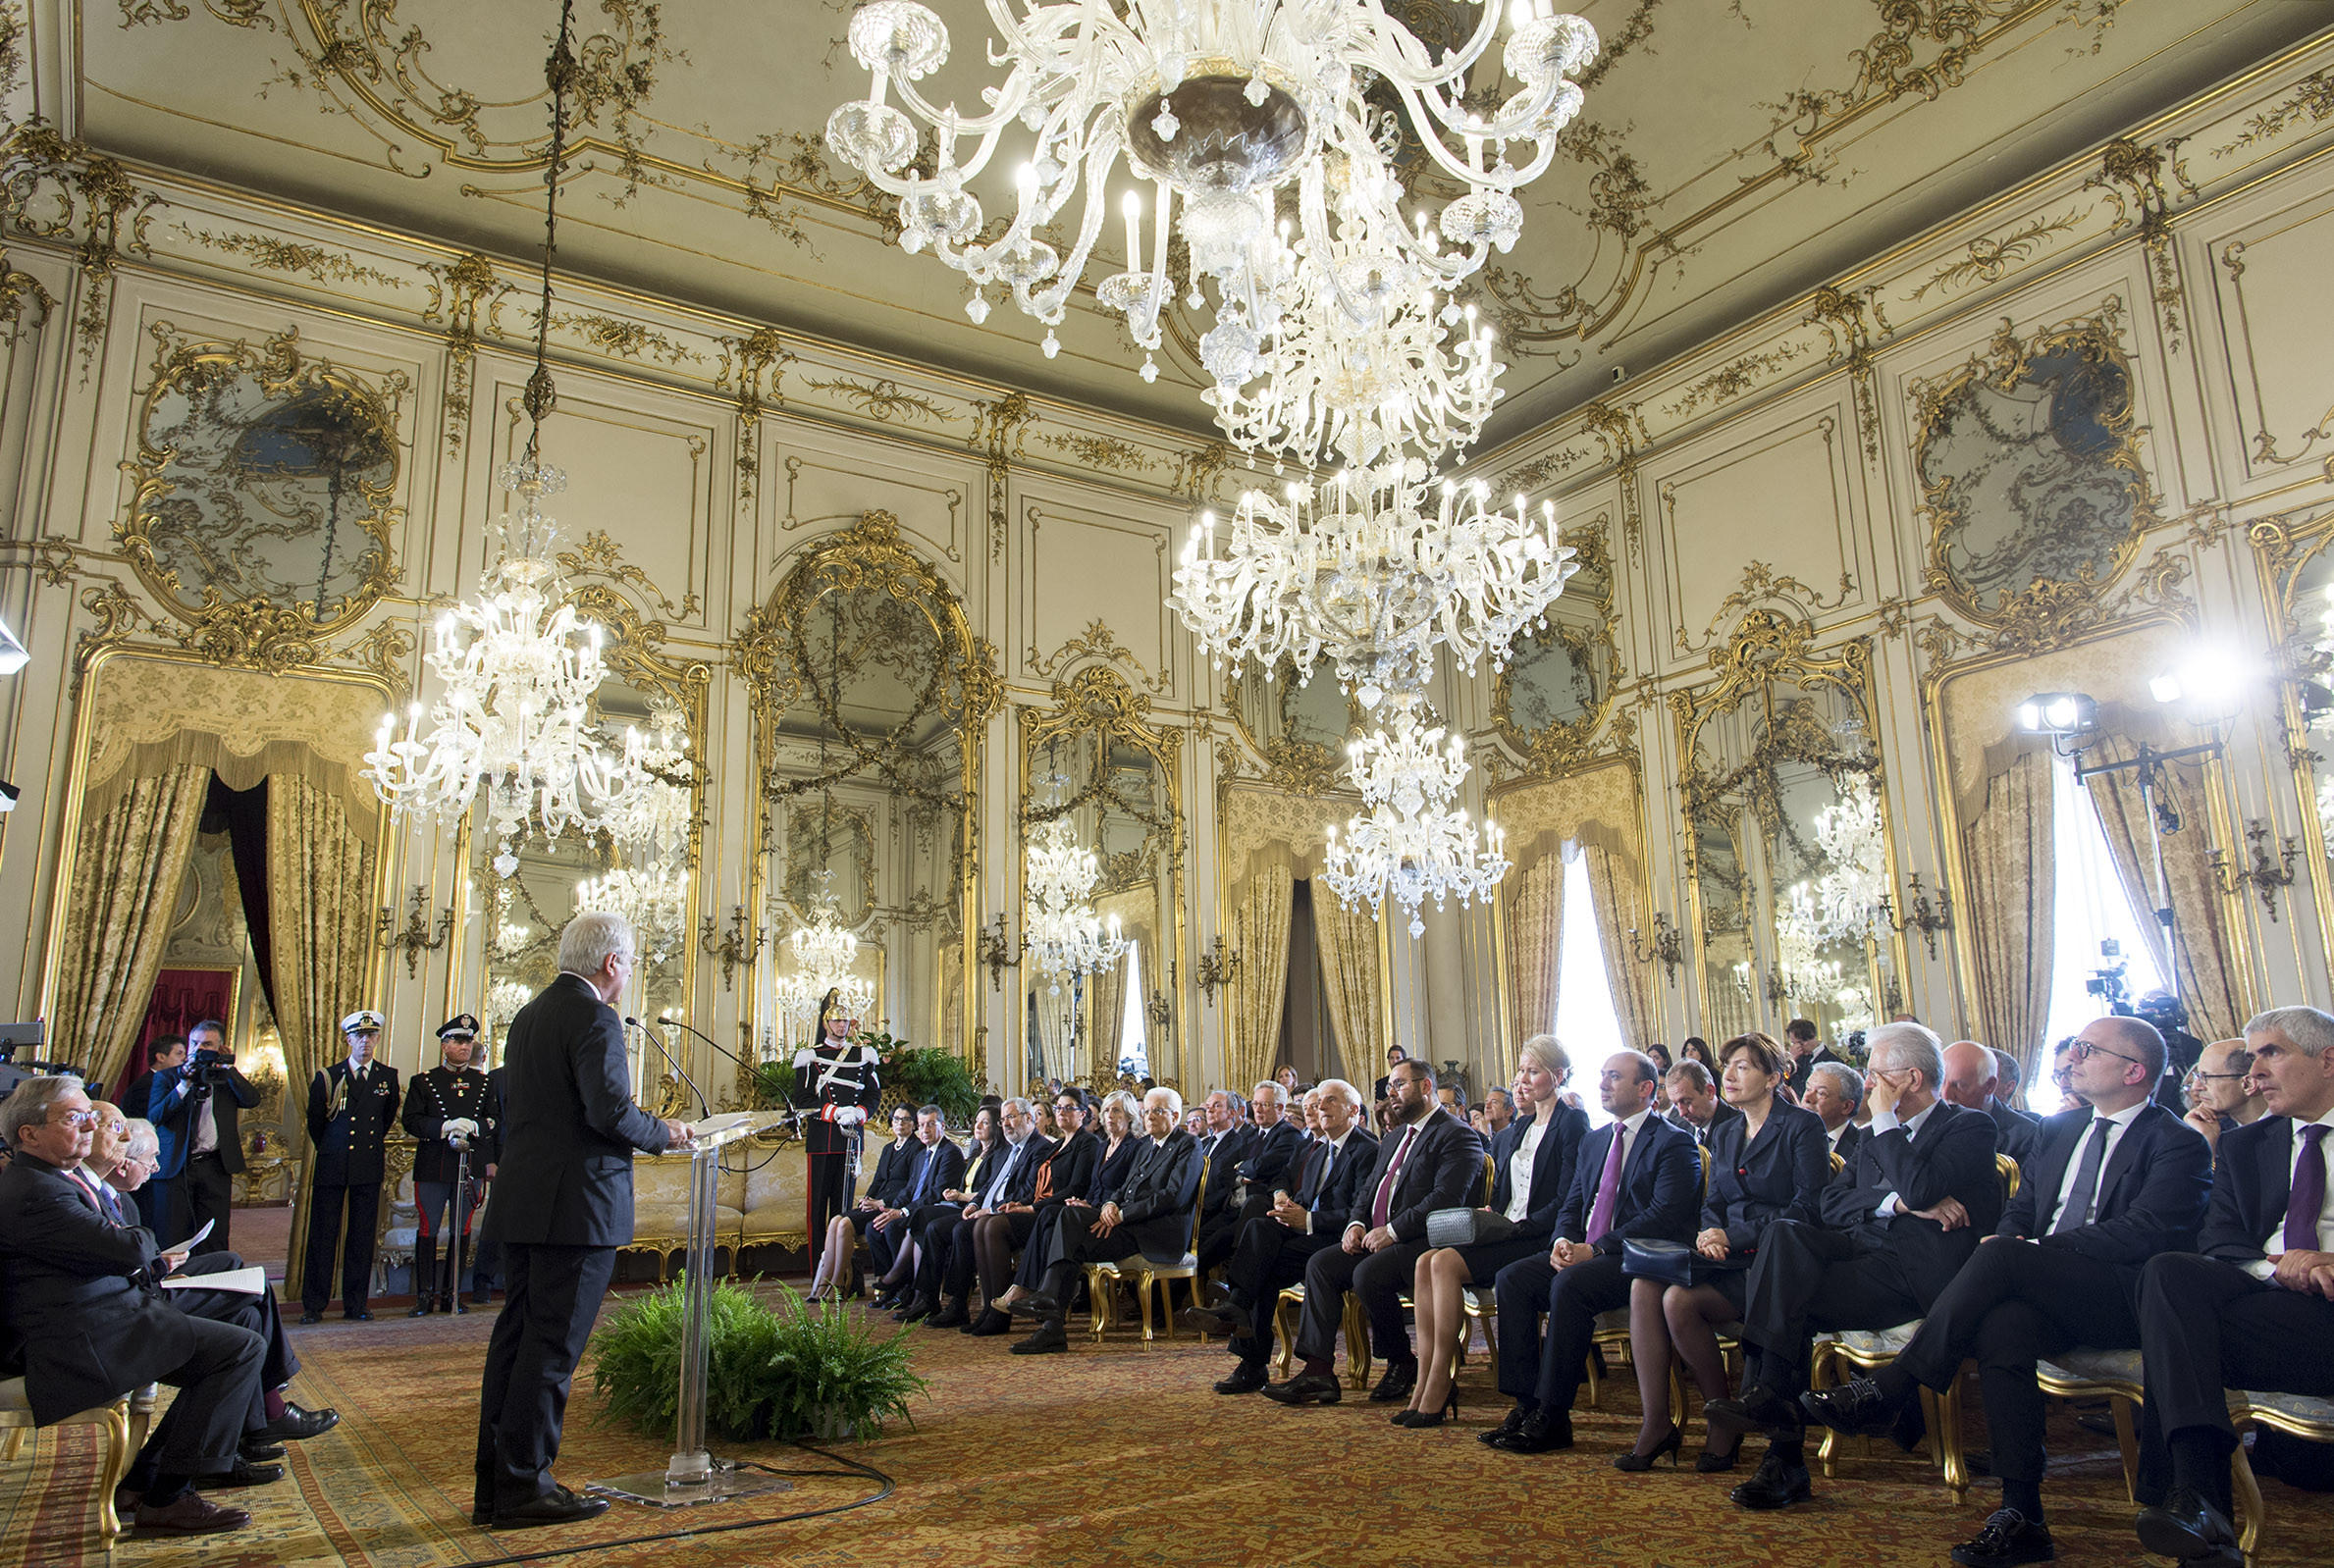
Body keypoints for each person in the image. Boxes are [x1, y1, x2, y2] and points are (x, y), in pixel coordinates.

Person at [1803, 1013, 2210, 1567]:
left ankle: (1895, 1385)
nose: (2072, 1060)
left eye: (2089, 1051)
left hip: (2125, 1295)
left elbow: (2149, 1231)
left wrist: (2034, 1251)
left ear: (2135, 1071)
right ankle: (2024, 1513)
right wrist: (2018, 1237)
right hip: (2042, 1283)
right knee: (2002, 1328)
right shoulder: (2062, 1130)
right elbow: (2024, 1206)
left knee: (1999, 1255)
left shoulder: (2177, 1141)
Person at [1707, 1021, 2005, 1511]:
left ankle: (1781, 1452)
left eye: (1876, 1075)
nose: (1868, 1084)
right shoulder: (1873, 1135)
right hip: (1861, 1254)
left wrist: (1894, 1155)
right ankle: (1771, 1406)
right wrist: (1899, 1204)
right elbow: (1831, 1204)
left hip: (1916, 1276)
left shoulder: (1968, 1126)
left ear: (1909, 1078)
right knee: (1785, 1240)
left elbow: (1922, 1187)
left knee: (1789, 1300)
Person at [472, 913, 693, 1531]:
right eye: (631, 963)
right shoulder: (595, 1015)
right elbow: (608, 1111)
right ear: (613, 963)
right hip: (576, 1210)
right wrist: (665, 1133)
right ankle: (525, 1487)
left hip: (522, 1203)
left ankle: (494, 1486)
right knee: (551, 1350)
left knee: (515, 1343)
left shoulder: (530, 1013)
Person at [0, 1075, 267, 1536]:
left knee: (239, 1337)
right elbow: (129, 1250)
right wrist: (139, 1238)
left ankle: (148, 1482)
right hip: (80, 1340)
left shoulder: (53, 1178)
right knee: (238, 1349)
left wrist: (133, 1241)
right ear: (29, 1133)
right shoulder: (36, 1190)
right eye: (73, 1117)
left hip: (106, 1317)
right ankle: (167, 1495)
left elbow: (119, 1247)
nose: (88, 1126)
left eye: (88, 1115)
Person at [2129, 1005, 2334, 1568]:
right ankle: (2202, 1503)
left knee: (2176, 1340)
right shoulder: (2249, 1145)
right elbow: (2219, 1242)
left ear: (2329, 1059)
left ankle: (2198, 1511)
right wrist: (2285, 1265)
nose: (2254, 1073)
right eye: (2250, 1059)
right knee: (2170, 1272)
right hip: (2276, 1308)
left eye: (2270, 1053)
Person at [100, 1115, 341, 1508]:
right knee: (246, 1324)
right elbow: (119, 1261)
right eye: (149, 1159)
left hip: (135, 1295)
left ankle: (223, 1451)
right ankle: (265, 1412)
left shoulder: (115, 1195)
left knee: (242, 1300)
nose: (156, 1167)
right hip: (124, 1315)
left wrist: (155, 1262)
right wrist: (157, 1265)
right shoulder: (60, 1190)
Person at [1623, 1032, 1829, 1473]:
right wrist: (1709, 1232)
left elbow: (1806, 1208)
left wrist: (1729, 1238)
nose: (1730, 1074)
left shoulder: (1802, 1126)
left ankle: (1724, 1422)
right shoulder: (1729, 1129)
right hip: (1724, 1252)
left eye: (1744, 1067)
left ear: (1773, 1078)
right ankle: (1658, 1422)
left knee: (1677, 1300)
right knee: (1643, 1283)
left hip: (1773, 1262)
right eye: (1729, 1065)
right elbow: (1713, 1201)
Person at [1482, 1050, 1700, 1454]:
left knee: (1571, 1285)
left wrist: (1597, 1248)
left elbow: (1663, 1216)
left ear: (1645, 1088)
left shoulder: (1674, 1142)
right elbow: (1574, 1201)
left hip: (1638, 1256)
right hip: (1585, 1249)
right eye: (1602, 1075)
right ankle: (1525, 1404)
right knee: (1512, 1278)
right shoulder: (1597, 1140)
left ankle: (1553, 1414)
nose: (1602, 1084)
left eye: (1614, 1077)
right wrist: (1563, 1240)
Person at [1264, 1058, 1487, 1408]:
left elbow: (1446, 1199)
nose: (1391, 1094)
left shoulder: (1457, 1134)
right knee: (1322, 1264)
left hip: (1427, 1242)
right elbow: (1368, 1191)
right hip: (1380, 1237)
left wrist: (1393, 1231)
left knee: (1369, 1272)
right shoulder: (1396, 1136)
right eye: (1389, 1088)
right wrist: (1355, 1224)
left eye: (1400, 1085)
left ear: (1426, 1087)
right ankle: (1319, 1370)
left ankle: (1401, 1361)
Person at [1402, 1035, 1589, 1428]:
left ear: (1556, 1076)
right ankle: (1424, 1380)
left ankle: (1439, 1382)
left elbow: (1572, 1193)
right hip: (1506, 1229)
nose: (1522, 1079)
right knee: (1424, 1262)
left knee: (1445, 1264)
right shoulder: (1518, 1129)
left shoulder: (1572, 1122)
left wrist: (1519, 1225)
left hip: (1537, 1234)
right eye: (1521, 1070)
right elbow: (1506, 1193)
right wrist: (1494, 1213)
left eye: (1532, 1071)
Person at [1190, 1079, 1379, 1391]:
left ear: (1354, 1110)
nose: (1321, 1108)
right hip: (1305, 1233)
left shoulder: (1366, 1149)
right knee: (1260, 1229)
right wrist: (1283, 1198)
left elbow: (1363, 1213)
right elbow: (1290, 1183)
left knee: (1260, 1264)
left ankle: (1254, 1354)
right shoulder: (1319, 1150)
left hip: (1338, 1240)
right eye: (1319, 1103)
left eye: (1330, 1101)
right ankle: (1244, 1327)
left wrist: (1310, 1219)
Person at [1011, 1085, 1202, 1355]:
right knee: (1069, 1227)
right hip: (1128, 1227)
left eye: (1157, 1111)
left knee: (1071, 1221)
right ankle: (1051, 1326)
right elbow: (1124, 1187)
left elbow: (1173, 1196)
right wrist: (1111, 1204)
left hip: (1156, 1234)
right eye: (1147, 1111)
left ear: (1175, 1114)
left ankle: (1047, 1300)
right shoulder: (1147, 1146)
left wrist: (1121, 1214)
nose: (1150, 1117)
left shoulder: (1188, 1144)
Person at [991, 1090, 1142, 1324]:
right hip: (1091, 1210)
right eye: (1106, 1111)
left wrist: (1098, 1206)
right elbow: (1092, 1187)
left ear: (1130, 1116)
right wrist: (1086, 1202)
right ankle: (1048, 1314)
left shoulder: (1134, 1147)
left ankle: (1033, 1293)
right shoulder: (1104, 1147)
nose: (1110, 1116)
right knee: (1054, 1224)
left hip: (1111, 1219)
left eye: (1117, 1110)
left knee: (1053, 1214)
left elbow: (1126, 1189)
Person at [951, 1090, 1093, 1331]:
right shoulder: (1057, 1145)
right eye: (1058, 1108)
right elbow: (1036, 1186)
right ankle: (991, 1307)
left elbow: (1076, 1187)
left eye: (1069, 1108)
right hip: (1039, 1209)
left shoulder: (1087, 1142)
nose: (1061, 1113)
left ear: (1083, 1114)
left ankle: (1002, 1314)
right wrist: (1019, 1204)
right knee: (981, 1225)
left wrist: (1030, 1206)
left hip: (1054, 1214)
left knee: (993, 1225)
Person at [904, 1096, 1050, 1324]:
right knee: (935, 1227)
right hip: (985, 1209)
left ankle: (970, 1306)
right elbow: (989, 1186)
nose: (1007, 1125)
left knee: (963, 1230)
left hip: (1014, 1215)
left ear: (1029, 1118)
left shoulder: (1040, 1148)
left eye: (1011, 1118)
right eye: (1003, 1120)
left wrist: (989, 1209)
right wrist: (974, 1204)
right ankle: (929, 1298)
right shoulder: (1006, 1150)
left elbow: (1027, 1192)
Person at [300, 1009, 402, 1324]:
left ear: (377, 1039)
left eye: (371, 1036)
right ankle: (314, 1305)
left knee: (361, 1237)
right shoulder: (329, 1077)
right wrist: (335, 1147)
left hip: (367, 1164)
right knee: (323, 1235)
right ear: (348, 1039)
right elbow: (316, 1123)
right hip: (332, 1162)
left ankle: (355, 1303)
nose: (366, 1042)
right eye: (359, 1036)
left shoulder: (387, 1077)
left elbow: (385, 1119)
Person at [403, 1014, 498, 1316]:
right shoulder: (424, 1082)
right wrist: (445, 1127)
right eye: (458, 1041)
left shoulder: (484, 1083)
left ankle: (452, 1293)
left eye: (469, 1041)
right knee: (428, 1228)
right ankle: (424, 1295)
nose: (465, 1046)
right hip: (434, 1163)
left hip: (469, 1165)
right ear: (444, 1045)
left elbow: (494, 1119)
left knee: (462, 1229)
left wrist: (474, 1125)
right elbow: (412, 1121)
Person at [148, 1018, 257, 1253]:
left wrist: (229, 1067)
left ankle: (210, 1284)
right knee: (172, 1234)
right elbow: (154, 1116)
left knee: (214, 1236)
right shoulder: (168, 1077)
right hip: (176, 1166)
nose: (199, 1049)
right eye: (194, 1043)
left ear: (220, 1048)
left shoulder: (227, 1079)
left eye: (207, 1045)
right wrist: (184, 1085)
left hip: (214, 1166)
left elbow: (252, 1099)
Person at [792, 990, 880, 1277]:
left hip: (851, 1140)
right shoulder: (810, 1057)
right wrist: (832, 1112)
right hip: (821, 1140)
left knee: (844, 1209)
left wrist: (859, 1113)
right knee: (818, 1210)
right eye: (837, 1022)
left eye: (846, 1022)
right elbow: (803, 1101)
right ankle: (817, 1270)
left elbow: (873, 1096)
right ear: (826, 1024)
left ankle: (841, 1271)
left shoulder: (864, 1055)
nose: (842, 1026)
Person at [874, 1105, 995, 1310]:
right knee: (889, 1226)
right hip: (950, 1205)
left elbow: (938, 1192)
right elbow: (910, 1188)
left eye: (930, 1124)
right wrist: (891, 1207)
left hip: (955, 1207)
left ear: (942, 1125)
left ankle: (908, 1284)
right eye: (921, 1125)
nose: (925, 1130)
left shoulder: (951, 1152)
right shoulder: (969, 1153)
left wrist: (904, 1211)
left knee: (922, 1220)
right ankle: (908, 1291)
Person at [809, 1105, 920, 1301]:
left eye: (906, 1119)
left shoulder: (917, 1148)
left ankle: (836, 1284)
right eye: (896, 1119)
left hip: (891, 1207)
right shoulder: (888, 1148)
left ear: (914, 1124)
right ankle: (824, 1281)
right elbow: (878, 1180)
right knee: (834, 1221)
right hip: (875, 1204)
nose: (900, 1123)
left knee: (844, 1223)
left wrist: (880, 1203)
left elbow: (910, 1187)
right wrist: (867, 1199)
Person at [117, 1035, 185, 1229]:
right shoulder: (147, 1085)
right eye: (179, 1053)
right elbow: (148, 1123)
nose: (184, 1059)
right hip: (138, 1158)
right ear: (160, 1057)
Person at [1942, 1039, 2041, 1167]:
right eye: (1941, 1083)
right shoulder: (1929, 1125)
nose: (1945, 1095)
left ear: (1990, 1085)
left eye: (1960, 1085)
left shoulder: (2025, 1136)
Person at [2183, 1037, 2268, 1156]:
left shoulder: (2288, 1128)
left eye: (2206, 1077)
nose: (2196, 1087)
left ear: (2248, 1084)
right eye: (2197, 1076)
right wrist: (2208, 1143)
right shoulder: (2215, 1129)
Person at [1666, 1059, 1744, 1148]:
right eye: (1676, 1104)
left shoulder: (1740, 1127)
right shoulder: (1680, 1131)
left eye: (1687, 1102)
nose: (1682, 1113)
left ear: (1710, 1091)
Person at [1804, 1061, 1866, 1163]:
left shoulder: (1862, 1147)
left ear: (1846, 1107)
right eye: (1807, 1089)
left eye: (1821, 1093)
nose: (1807, 1098)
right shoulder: (1789, 1134)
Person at [1782, 1019, 1843, 1097]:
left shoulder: (1834, 1061)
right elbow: (1784, 1081)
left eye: (1800, 1043)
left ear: (1812, 1036)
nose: (1797, 1047)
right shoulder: (1797, 1059)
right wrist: (1791, 1060)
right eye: (1793, 1043)